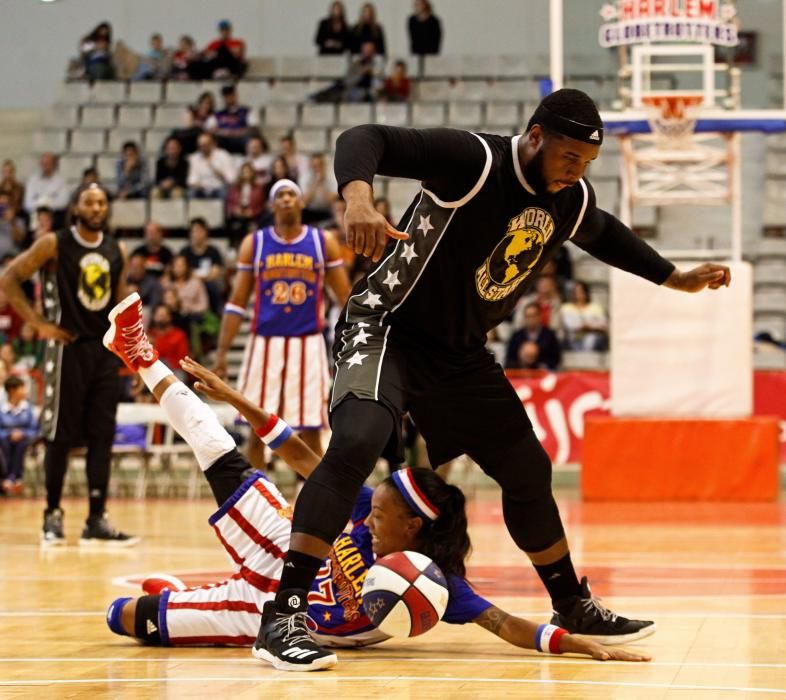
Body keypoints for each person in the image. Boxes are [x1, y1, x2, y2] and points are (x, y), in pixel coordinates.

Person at [252, 88, 733, 670]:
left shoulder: (570, 199)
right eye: (568, 158)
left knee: (527, 468)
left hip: (458, 356)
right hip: (387, 325)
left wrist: (672, 277)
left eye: (586, 163)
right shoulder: (473, 162)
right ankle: (283, 616)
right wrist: (358, 196)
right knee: (356, 441)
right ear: (535, 137)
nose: (575, 173)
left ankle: (571, 603)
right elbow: (363, 139)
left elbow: (604, 233)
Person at [102, 301, 650, 668]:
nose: (365, 518)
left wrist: (570, 644)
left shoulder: (433, 582)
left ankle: (179, 595)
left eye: (379, 515)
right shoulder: (362, 504)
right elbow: (296, 452)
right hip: (281, 544)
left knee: (124, 618)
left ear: (413, 526)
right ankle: (139, 354)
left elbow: (503, 624)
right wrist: (236, 399)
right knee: (218, 451)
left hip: (258, 608)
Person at [0, 183, 138, 546]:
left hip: (104, 351)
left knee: (101, 436)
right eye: (89, 202)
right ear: (76, 207)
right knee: (59, 435)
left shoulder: (116, 248)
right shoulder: (55, 243)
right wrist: (39, 323)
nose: (96, 207)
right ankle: (52, 513)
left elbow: (121, 298)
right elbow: (9, 278)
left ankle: (96, 518)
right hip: (66, 347)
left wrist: (135, 349)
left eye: (101, 202)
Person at [214, 179, 350, 469]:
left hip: (309, 344)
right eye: (280, 195)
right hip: (264, 344)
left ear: (301, 203)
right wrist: (223, 353)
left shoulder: (322, 241)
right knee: (256, 431)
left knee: (312, 429)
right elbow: (237, 302)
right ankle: (261, 502)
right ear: (272, 205)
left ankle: (316, 500)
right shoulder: (255, 243)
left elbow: (345, 298)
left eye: (292, 194)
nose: (287, 199)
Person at [0, 375, 37, 495]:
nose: (25, 391)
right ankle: (11, 478)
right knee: (4, 443)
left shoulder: (28, 409)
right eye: (22, 388)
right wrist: (9, 434)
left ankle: (11, 478)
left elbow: (35, 430)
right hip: (5, 441)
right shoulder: (2, 410)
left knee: (21, 444)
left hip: (24, 441)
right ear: (12, 390)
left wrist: (23, 433)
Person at [205, 84, 260, 156]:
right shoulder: (218, 114)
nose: (228, 98)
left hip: (241, 138)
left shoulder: (247, 111)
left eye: (230, 95)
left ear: (235, 95)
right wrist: (223, 132)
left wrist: (237, 132)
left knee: (250, 138)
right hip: (224, 139)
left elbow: (254, 127)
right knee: (213, 139)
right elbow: (209, 128)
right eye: (226, 96)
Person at [506, 302, 562, 370]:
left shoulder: (549, 335)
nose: (531, 319)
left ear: (540, 316)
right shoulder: (517, 336)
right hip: (520, 375)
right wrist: (522, 360)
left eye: (533, 315)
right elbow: (509, 360)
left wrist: (537, 359)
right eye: (528, 316)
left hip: (542, 374)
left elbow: (556, 359)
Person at [559, 280, 608, 351]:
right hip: (572, 338)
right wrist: (582, 326)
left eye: (580, 291)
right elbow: (568, 324)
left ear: (586, 292)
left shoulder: (595, 307)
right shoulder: (566, 307)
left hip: (592, 338)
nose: (578, 294)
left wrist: (589, 327)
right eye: (575, 292)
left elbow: (603, 325)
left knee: (591, 339)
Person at [24, 153, 69, 227]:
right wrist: (44, 203)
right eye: (43, 164)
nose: (45, 167)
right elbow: (27, 204)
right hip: (35, 213)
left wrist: (44, 203)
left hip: (55, 215)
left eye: (48, 164)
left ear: (54, 165)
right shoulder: (32, 180)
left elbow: (63, 202)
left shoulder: (62, 181)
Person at [187, 133, 236, 199]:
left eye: (205, 145)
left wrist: (219, 173)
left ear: (212, 144)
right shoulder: (194, 158)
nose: (202, 148)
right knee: (190, 193)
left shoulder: (223, 155)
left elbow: (232, 179)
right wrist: (197, 184)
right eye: (200, 145)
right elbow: (192, 179)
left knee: (225, 193)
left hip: (219, 188)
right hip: (202, 189)